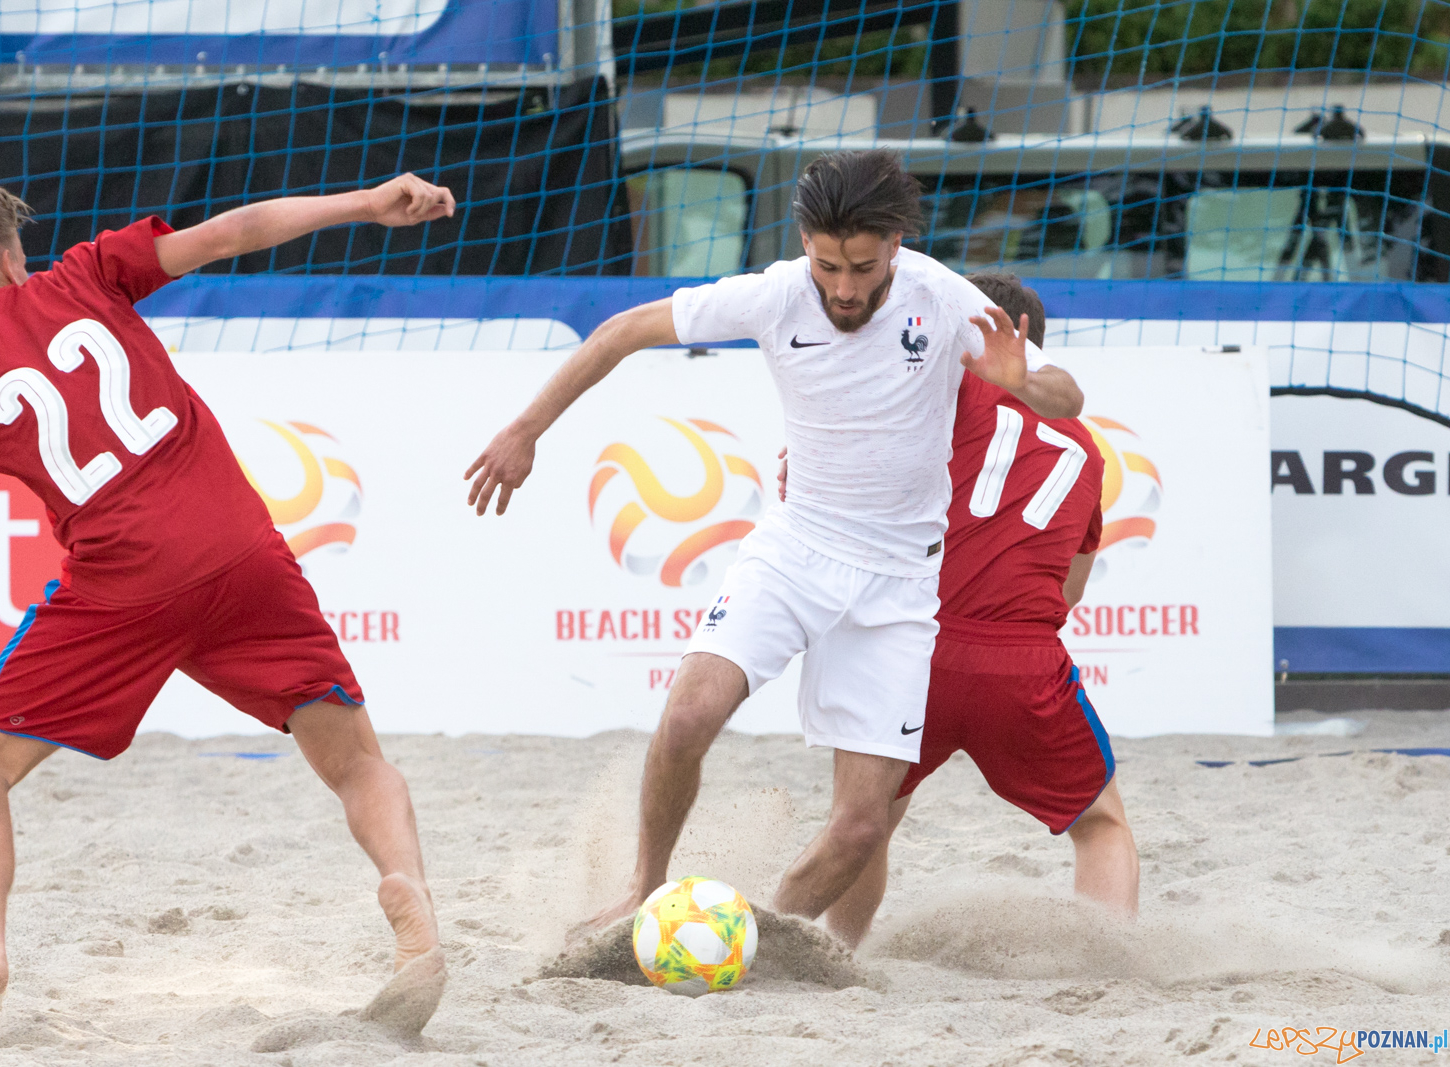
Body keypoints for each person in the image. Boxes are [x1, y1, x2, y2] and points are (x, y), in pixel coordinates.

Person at [0, 176, 456, 1030]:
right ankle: (408, 892)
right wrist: (364, 203)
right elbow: (235, 229)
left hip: (123, 584)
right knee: (356, 760)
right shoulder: (82, 275)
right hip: (240, 550)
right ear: (7, 254)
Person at [463, 150, 1085, 935]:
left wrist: (1022, 378)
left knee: (861, 825)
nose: (845, 288)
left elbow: (1069, 398)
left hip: (898, 582)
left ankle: (756, 937)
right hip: (796, 548)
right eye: (828, 265)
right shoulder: (775, 295)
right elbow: (622, 331)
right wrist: (525, 430)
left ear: (895, 244)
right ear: (804, 243)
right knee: (689, 715)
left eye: (862, 266)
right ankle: (644, 891)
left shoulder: (945, 299)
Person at [811, 272, 1139, 948]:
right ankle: (1110, 967)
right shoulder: (1086, 451)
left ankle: (837, 954)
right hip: (1023, 662)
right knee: (1101, 824)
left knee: (866, 822)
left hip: (916, 649)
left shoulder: (943, 393)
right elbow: (1069, 593)